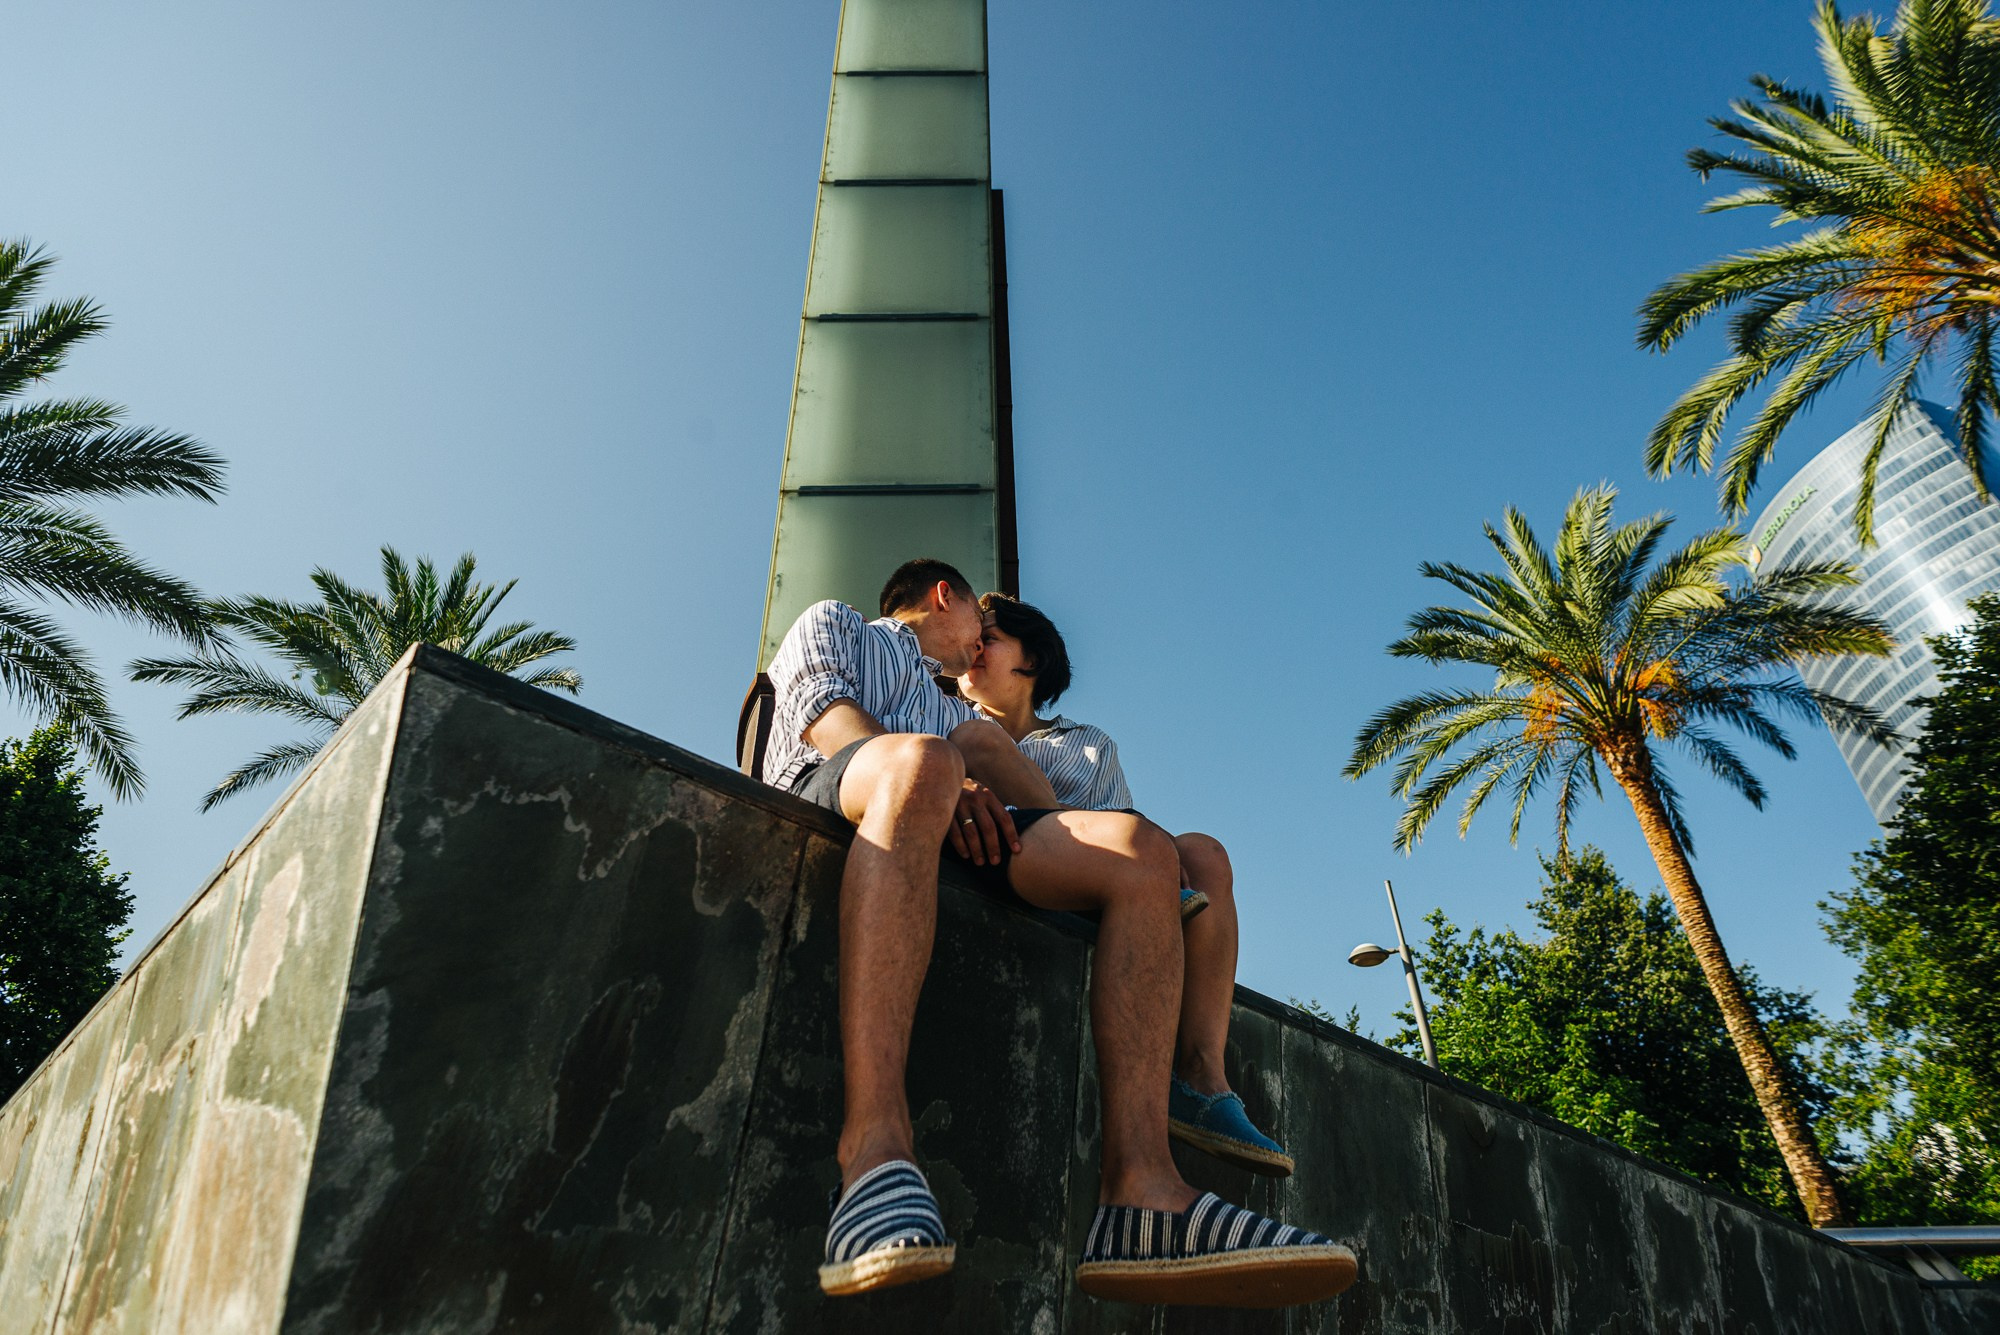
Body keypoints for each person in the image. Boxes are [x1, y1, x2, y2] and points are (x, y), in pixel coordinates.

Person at [762, 558, 1355, 1307]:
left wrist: (975, 780)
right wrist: (946, 773)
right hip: (843, 783)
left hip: (958, 820)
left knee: (1143, 851)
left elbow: (1019, 791)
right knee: (924, 761)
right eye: (982, 620)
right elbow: (827, 720)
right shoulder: (841, 625)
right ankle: (873, 1153)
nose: (980, 643)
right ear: (948, 597)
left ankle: (1143, 1191)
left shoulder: (960, 714)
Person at [957, 593, 1293, 1179]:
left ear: (1030, 660)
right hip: (998, 864)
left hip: (1095, 881)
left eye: (990, 637)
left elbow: (1118, 822)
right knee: (983, 747)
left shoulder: (1088, 744)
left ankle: (1203, 1080)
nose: (973, 647)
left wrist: (1154, 853)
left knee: (1205, 854)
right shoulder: (947, 719)